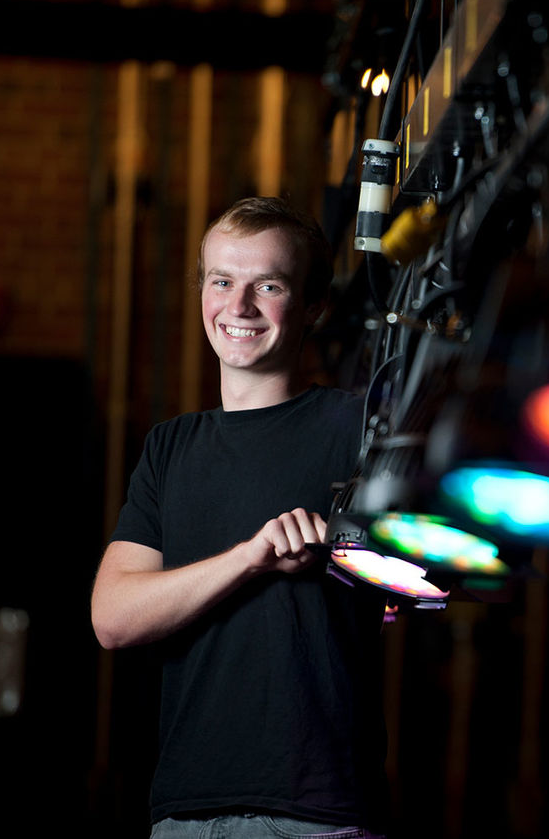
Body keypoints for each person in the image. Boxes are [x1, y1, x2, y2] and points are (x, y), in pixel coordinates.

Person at [92, 196, 388, 838]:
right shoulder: (171, 447)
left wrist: (348, 549)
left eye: (269, 285)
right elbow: (112, 619)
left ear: (313, 306)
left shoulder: (358, 427)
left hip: (317, 816)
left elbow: (438, 586)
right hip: (183, 813)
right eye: (222, 281)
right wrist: (249, 558)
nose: (239, 306)